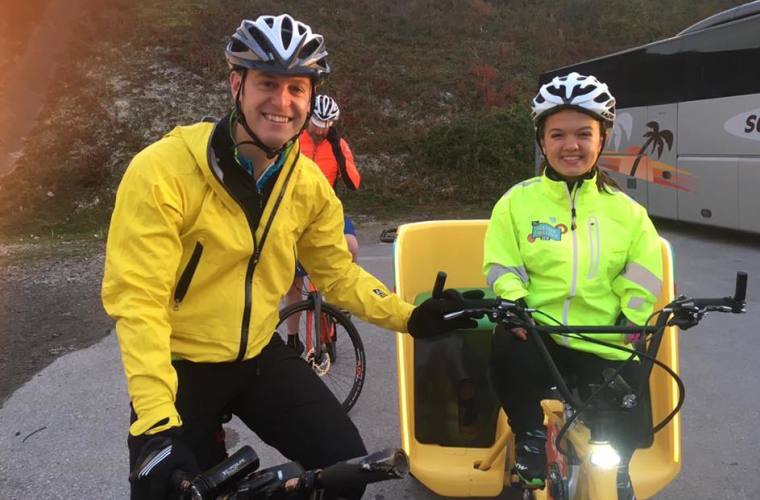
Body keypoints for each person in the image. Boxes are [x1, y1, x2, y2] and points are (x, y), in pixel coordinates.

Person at [101, 13, 475, 500]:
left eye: (296, 88)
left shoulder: (307, 184)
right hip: (180, 363)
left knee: (346, 471)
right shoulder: (162, 171)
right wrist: (155, 422)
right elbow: (139, 300)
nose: (282, 102)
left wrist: (411, 317)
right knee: (163, 490)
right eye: (267, 84)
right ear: (237, 85)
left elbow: (337, 275)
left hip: (257, 354)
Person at [483, 72, 663, 488]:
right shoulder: (516, 203)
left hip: (602, 335)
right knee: (506, 344)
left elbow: (643, 273)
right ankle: (529, 435)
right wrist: (514, 303)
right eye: (557, 134)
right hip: (537, 333)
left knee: (633, 387)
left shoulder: (628, 213)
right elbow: (501, 265)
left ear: (602, 139)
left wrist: (631, 319)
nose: (571, 145)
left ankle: (619, 467)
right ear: (542, 141)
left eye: (584, 133)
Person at [284, 94, 361, 352]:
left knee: (351, 246)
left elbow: (354, 183)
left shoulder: (338, 144)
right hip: (294, 212)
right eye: (317, 123)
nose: (321, 130)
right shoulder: (293, 139)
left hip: (327, 211)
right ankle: (293, 337)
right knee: (293, 280)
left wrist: (339, 151)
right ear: (308, 118)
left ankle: (341, 302)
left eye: (327, 125)